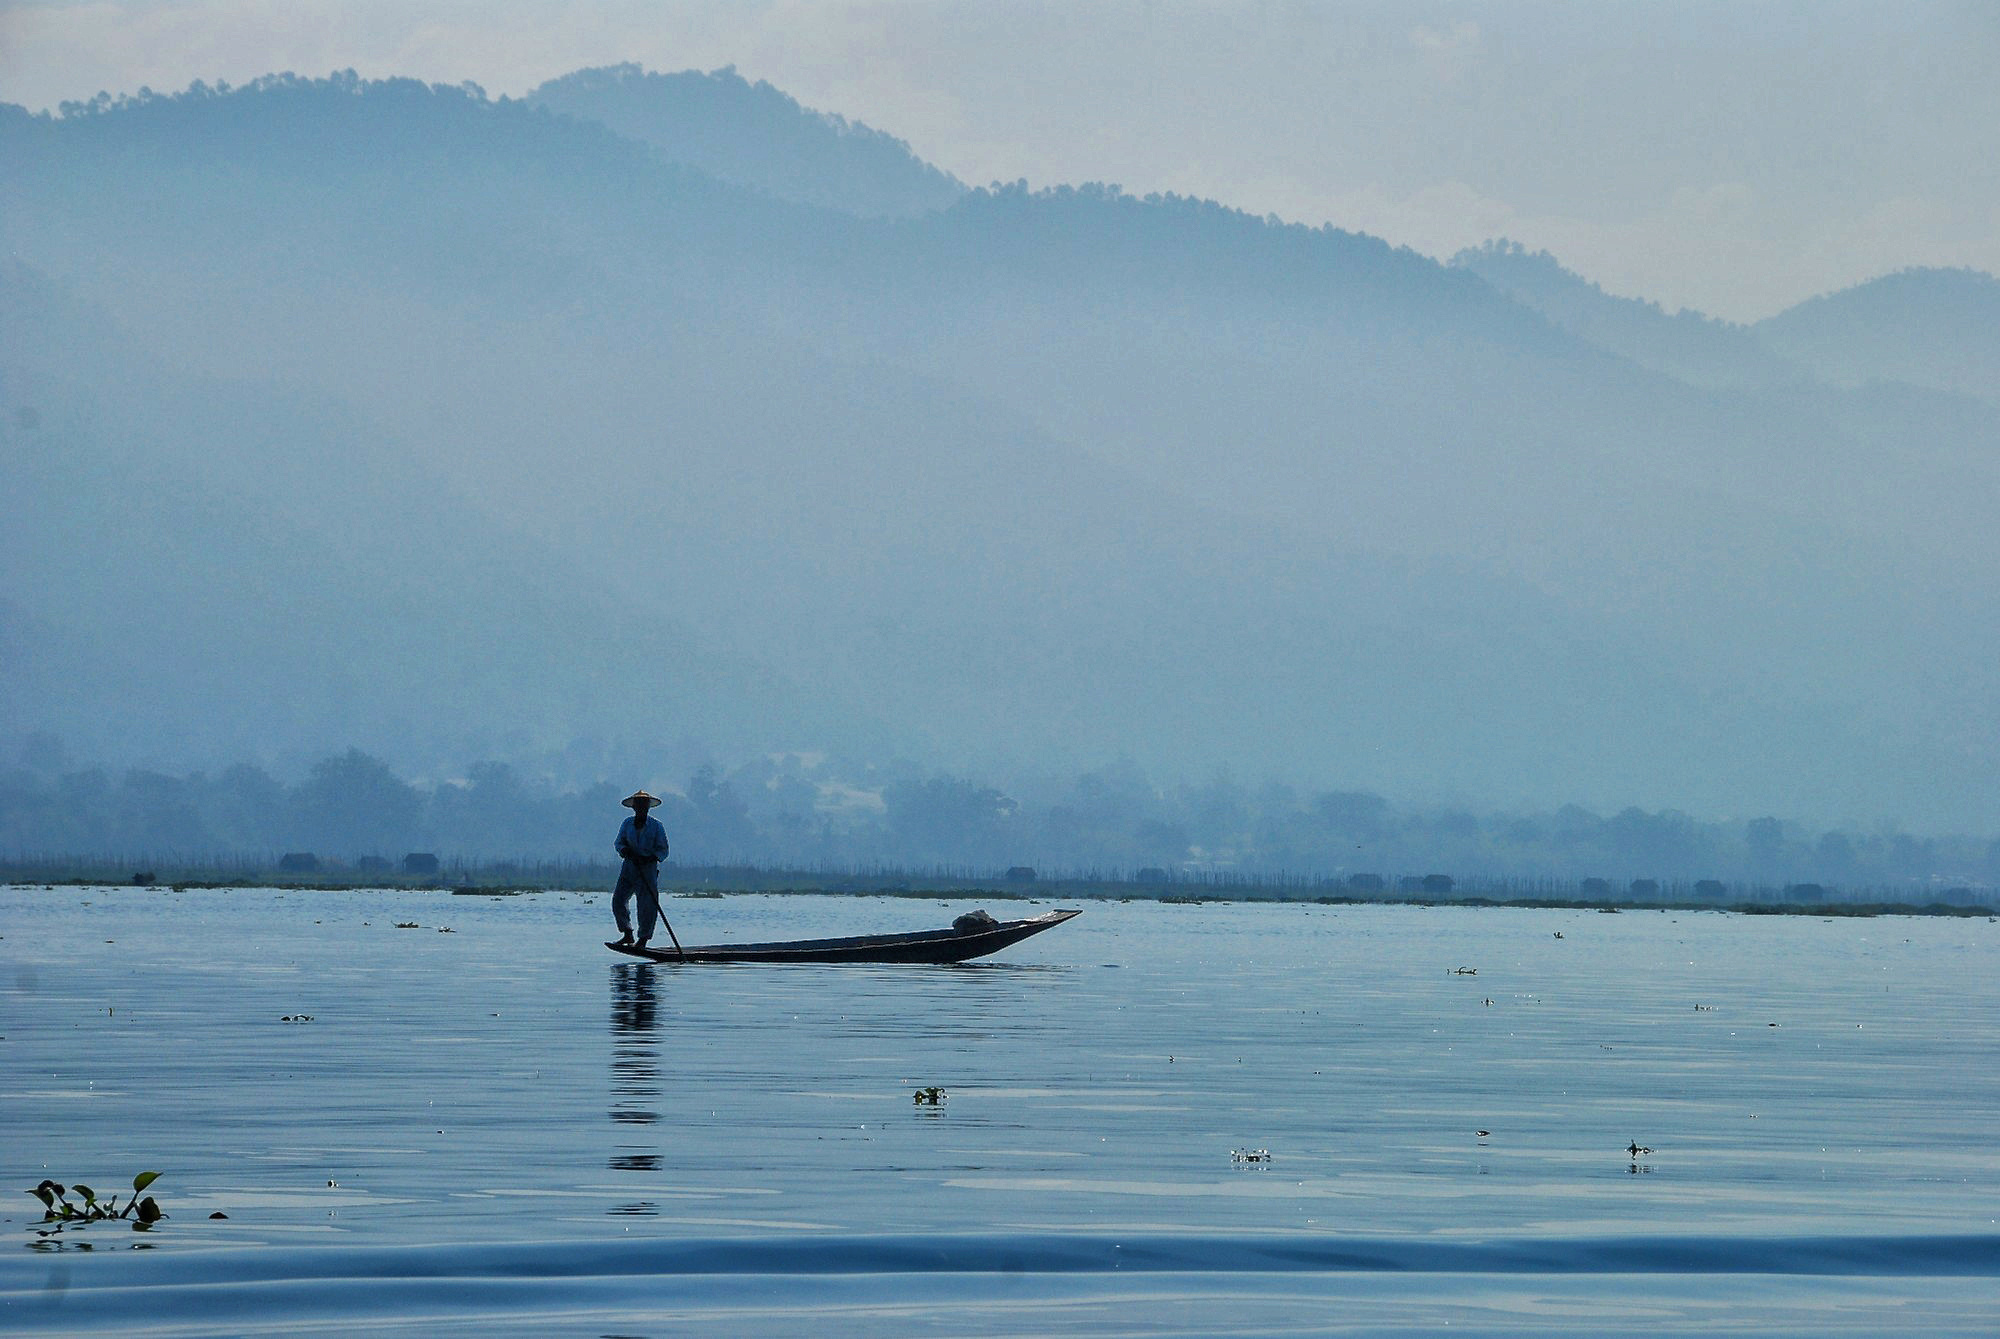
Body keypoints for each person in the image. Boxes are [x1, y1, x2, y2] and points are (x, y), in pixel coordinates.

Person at [612, 790, 670, 949]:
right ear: (634, 807)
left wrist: (648, 858)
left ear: (648, 807)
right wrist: (625, 851)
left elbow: (663, 850)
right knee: (618, 900)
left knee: (647, 905)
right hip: (629, 868)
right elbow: (619, 843)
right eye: (638, 805)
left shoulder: (656, 826)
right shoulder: (627, 823)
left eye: (644, 805)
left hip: (647, 870)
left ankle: (643, 938)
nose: (641, 808)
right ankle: (627, 933)